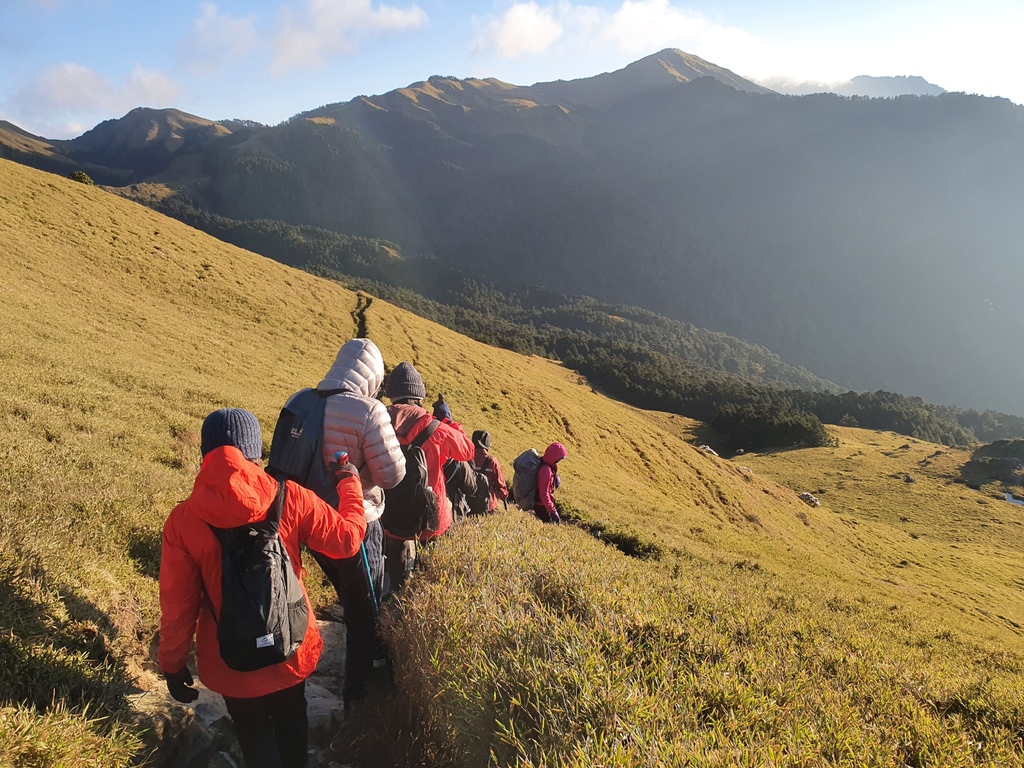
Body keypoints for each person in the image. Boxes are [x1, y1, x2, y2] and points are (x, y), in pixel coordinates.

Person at [159, 408, 367, 768]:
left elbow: (179, 606)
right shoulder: (292, 498)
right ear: (255, 451)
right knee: (292, 725)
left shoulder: (183, 520)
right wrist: (349, 482)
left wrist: (173, 664)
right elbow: (348, 540)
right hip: (290, 648)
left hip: (229, 661)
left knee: (254, 737)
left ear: (205, 454)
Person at [285, 338, 406, 708]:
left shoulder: (301, 401)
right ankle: (358, 693)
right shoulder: (369, 411)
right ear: (373, 377)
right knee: (364, 608)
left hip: (308, 520)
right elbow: (392, 475)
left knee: (347, 591)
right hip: (355, 522)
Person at [384, 362, 474, 590]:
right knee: (430, 560)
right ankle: (421, 598)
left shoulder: (378, 420)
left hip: (390, 507)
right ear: (420, 396)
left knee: (396, 549)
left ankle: (396, 594)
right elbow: (467, 450)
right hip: (430, 510)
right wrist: (448, 421)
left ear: (391, 393)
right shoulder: (435, 428)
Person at [470, 430, 509, 514]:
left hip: (467, 502)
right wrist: (504, 496)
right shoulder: (492, 461)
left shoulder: (466, 457)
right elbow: (500, 484)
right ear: (487, 445)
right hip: (487, 505)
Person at [534, 442, 567, 524]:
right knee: (551, 525)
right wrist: (552, 510)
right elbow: (544, 494)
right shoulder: (546, 471)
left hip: (543, 503)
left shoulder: (545, 463)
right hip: (542, 505)